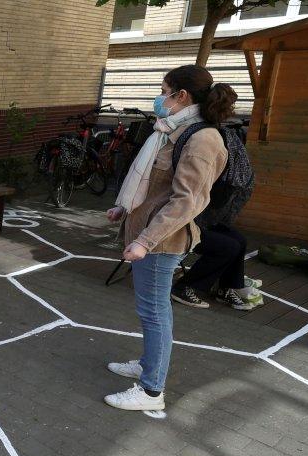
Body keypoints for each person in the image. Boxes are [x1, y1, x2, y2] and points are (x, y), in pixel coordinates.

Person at [104, 65, 237, 411]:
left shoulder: (201, 138)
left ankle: (151, 391)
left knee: (154, 311)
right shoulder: (171, 129)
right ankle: (148, 365)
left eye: (164, 91)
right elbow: (153, 184)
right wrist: (125, 208)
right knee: (150, 309)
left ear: (181, 96)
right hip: (149, 234)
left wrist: (145, 240)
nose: (159, 98)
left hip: (162, 241)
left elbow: (187, 201)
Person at [171, 223, 255, 310]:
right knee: (229, 247)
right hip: (187, 226)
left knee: (241, 240)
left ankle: (224, 289)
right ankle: (182, 288)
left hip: (208, 224)